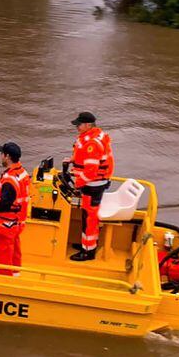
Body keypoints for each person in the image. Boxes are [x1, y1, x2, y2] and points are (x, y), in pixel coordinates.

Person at [68, 111, 114, 261]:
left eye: (79, 125)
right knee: (86, 215)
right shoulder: (93, 136)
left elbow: (91, 171)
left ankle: (88, 251)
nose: (77, 127)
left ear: (88, 125)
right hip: (93, 183)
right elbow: (83, 157)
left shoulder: (92, 144)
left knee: (90, 218)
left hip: (93, 185)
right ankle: (85, 245)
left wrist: (77, 183)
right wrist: (71, 160)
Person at [0, 142, 30, 276]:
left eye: (2, 154)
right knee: (15, 253)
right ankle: (15, 277)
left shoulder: (10, 180)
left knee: (3, 257)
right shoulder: (22, 173)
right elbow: (16, 197)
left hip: (5, 225)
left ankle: (5, 283)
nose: (1, 157)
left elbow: (5, 204)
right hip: (16, 223)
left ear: (7, 157)